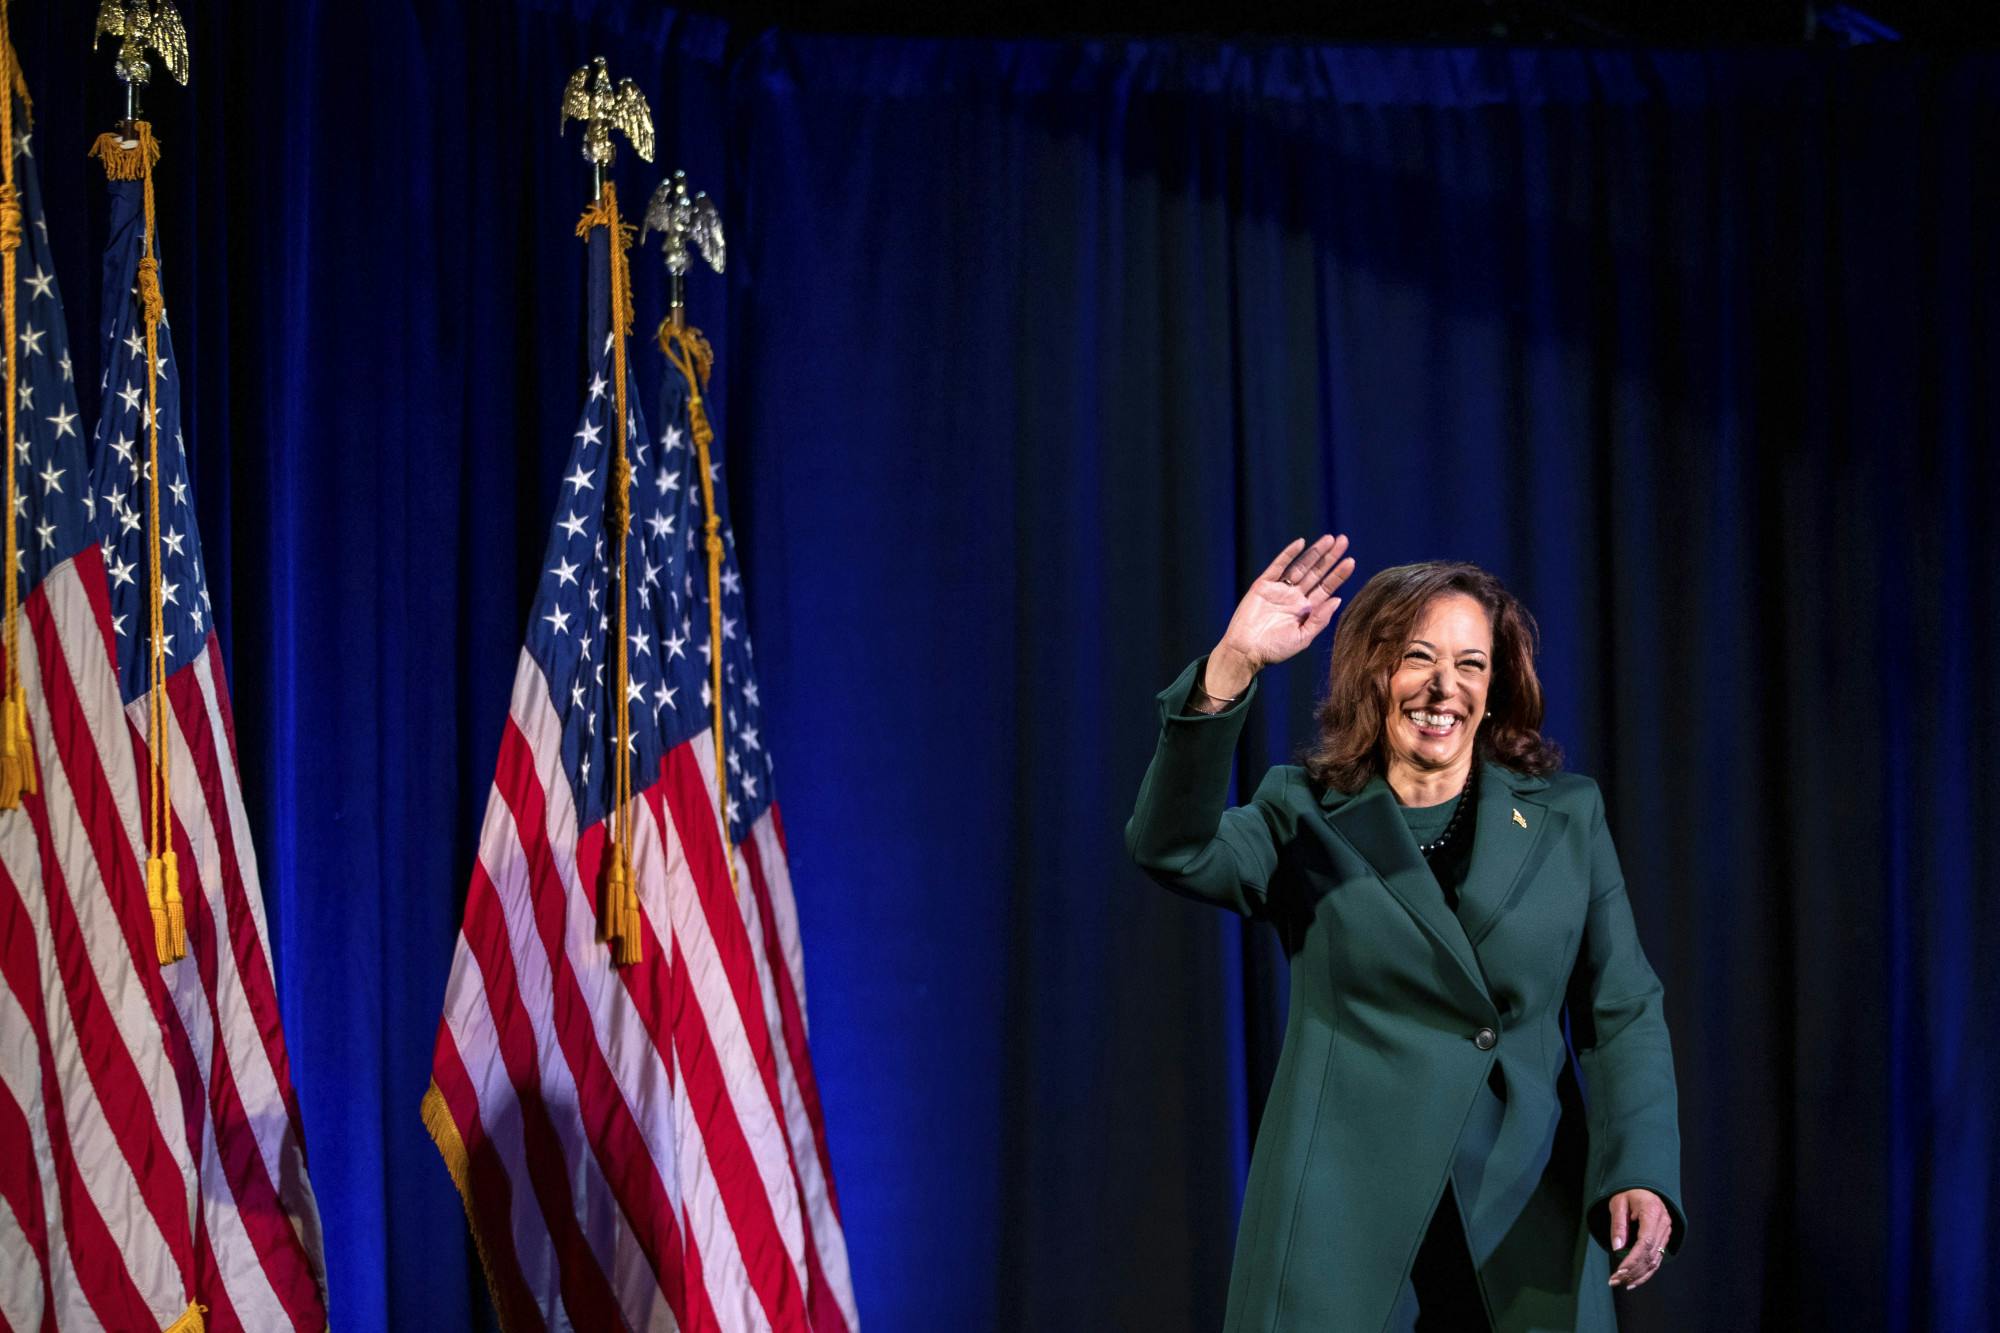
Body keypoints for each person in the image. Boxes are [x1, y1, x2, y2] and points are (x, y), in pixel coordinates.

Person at [1126, 535, 1685, 1332]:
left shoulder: (1568, 817)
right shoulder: (1301, 811)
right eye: (1418, 657)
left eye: (1470, 664)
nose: (1443, 686)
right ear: (1375, 673)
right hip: (1339, 1227)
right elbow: (1170, 847)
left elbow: (1623, 1009)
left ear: (1494, 686)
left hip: (1521, 1218)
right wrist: (1231, 668)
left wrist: (1641, 1167)